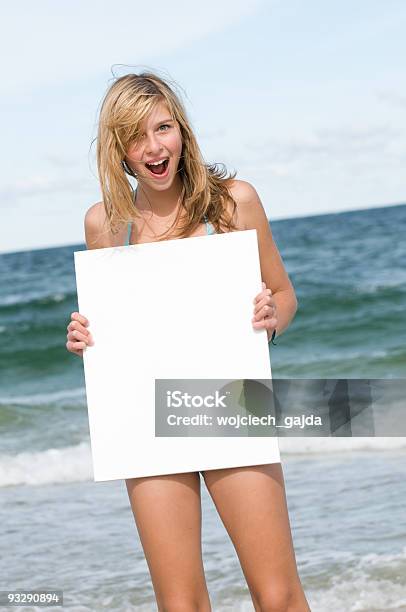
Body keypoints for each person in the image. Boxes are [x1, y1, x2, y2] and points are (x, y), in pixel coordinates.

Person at [66, 72, 311, 612]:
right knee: (180, 606)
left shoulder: (232, 203)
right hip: (143, 420)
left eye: (164, 128)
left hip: (228, 401)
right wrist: (84, 333)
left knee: (278, 597)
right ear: (117, 149)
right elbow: (107, 321)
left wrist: (272, 316)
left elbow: (286, 294)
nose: (154, 148)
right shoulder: (105, 224)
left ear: (183, 131)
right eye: (136, 136)